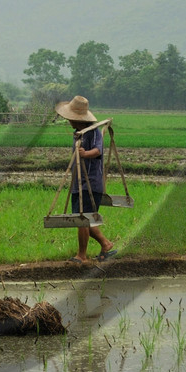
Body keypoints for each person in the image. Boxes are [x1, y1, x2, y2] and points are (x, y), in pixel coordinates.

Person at [56, 95, 116, 263]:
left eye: (71, 118)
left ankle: (81, 255)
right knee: (81, 218)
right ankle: (106, 244)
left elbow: (98, 151)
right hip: (78, 183)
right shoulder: (78, 134)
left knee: (83, 219)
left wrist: (85, 154)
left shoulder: (94, 132)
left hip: (90, 184)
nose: (69, 121)